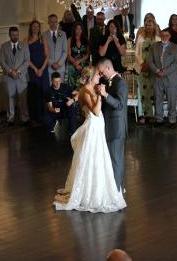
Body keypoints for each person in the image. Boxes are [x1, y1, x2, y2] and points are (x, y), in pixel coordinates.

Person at [54, 67, 126, 213]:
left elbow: (106, 83)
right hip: (93, 127)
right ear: (91, 77)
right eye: (97, 75)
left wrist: (114, 76)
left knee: (100, 159)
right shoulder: (85, 91)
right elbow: (96, 111)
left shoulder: (92, 87)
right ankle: (90, 193)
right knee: (92, 159)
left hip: (98, 126)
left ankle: (101, 188)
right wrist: (100, 96)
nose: (99, 77)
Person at [96, 58, 128, 192]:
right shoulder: (110, 82)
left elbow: (120, 105)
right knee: (114, 159)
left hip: (117, 127)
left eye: (102, 72)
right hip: (111, 125)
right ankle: (118, 187)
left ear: (108, 68)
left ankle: (116, 191)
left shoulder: (120, 83)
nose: (101, 75)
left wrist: (105, 94)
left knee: (116, 160)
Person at [148, 29, 177, 128]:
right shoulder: (154, 46)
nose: (164, 37)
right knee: (158, 99)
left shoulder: (176, 47)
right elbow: (150, 61)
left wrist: (164, 72)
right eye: (162, 35)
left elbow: (176, 63)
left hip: (171, 78)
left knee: (172, 100)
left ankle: (172, 120)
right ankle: (159, 119)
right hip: (157, 77)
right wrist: (157, 71)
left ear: (170, 36)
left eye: (166, 35)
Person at [0, 26, 31, 125]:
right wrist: (10, 71)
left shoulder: (24, 45)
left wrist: (18, 71)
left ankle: (24, 117)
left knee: (23, 98)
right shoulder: (4, 46)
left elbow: (27, 61)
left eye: (17, 35)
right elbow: (1, 61)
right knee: (10, 97)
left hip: (21, 76)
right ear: (9, 35)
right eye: (13, 35)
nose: (15, 37)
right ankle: (10, 118)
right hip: (9, 77)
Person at [134, 18, 160, 124]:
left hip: (153, 69)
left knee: (153, 92)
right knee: (143, 92)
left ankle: (153, 115)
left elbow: (159, 55)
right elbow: (137, 53)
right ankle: (143, 115)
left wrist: (150, 65)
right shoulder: (140, 37)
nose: (148, 27)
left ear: (154, 26)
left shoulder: (158, 39)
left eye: (150, 25)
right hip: (141, 68)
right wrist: (142, 63)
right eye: (147, 25)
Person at [26, 20, 49, 122]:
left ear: (39, 28)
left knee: (44, 90)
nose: (35, 28)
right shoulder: (26, 40)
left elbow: (47, 56)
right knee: (35, 92)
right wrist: (35, 69)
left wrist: (42, 69)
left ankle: (45, 113)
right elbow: (26, 58)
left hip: (43, 68)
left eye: (37, 26)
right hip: (32, 69)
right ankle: (36, 115)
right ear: (31, 28)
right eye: (33, 26)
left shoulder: (42, 39)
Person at [44, 14, 68, 83]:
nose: (53, 24)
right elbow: (44, 52)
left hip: (60, 67)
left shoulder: (63, 34)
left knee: (60, 88)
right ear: (48, 22)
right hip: (50, 67)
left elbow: (65, 51)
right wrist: (51, 63)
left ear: (57, 22)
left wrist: (59, 64)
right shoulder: (43, 35)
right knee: (51, 89)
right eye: (51, 22)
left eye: (55, 22)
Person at [66, 22, 90, 89]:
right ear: (74, 30)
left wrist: (79, 61)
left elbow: (88, 54)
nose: (79, 30)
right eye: (77, 28)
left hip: (83, 62)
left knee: (86, 72)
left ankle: (83, 94)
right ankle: (73, 94)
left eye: (80, 29)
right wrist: (75, 64)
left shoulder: (86, 40)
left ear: (82, 30)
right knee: (71, 69)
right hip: (72, 63)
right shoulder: (70, 40)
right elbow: (68, 55)